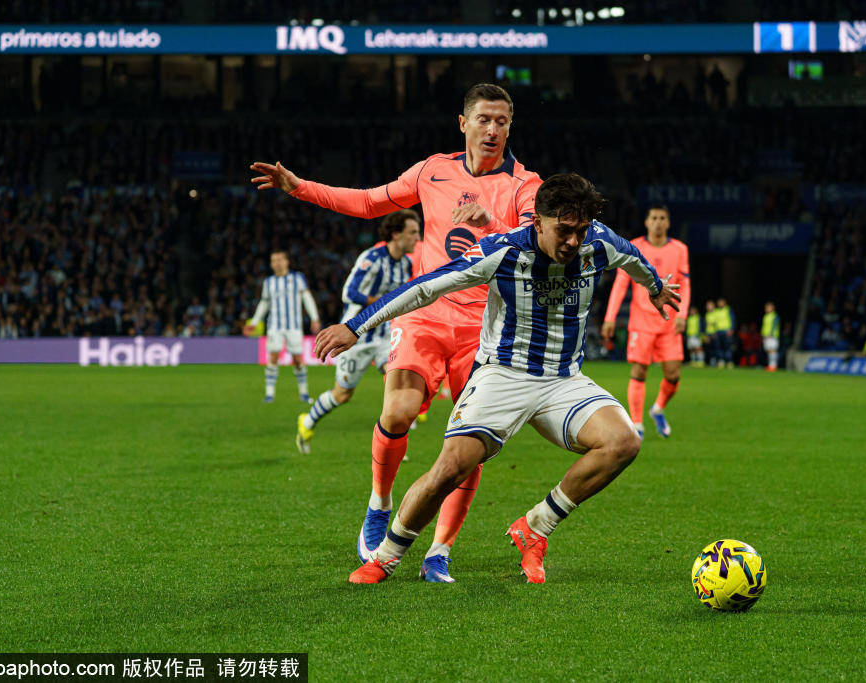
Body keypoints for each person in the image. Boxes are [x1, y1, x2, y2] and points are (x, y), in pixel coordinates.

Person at [315, 173, 681, 584]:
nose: (573, 241)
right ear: (537, 222)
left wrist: (655, 288)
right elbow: (425, 287)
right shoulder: (502, 252)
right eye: (564, 230)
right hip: (503, 375)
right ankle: (385, 558)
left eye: (580, 230)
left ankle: (535, 527)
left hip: (563, 380)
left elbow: (633, 257)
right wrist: (356, 325)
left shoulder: (597, 242)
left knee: (623, 441)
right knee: (451, 467)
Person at [250, 83, 542, 582]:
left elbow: (539, 242)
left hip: (486, 328)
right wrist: (300, 187)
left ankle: (440, 550)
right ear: (463, 123)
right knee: (398, 411)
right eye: (484, 119)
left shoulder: (524, 184)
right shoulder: (433, 171)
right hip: (425, 315)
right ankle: (379, 503)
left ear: (510, 127)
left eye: (502, 121)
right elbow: (369, 202)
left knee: (468, 445)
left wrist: (493, 221)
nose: (493, 130)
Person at [296, 211, 419, 452]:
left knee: (397, 380)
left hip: (385, 336)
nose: (418, 238)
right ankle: (307, 422)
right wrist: (382, 303)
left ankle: (392, 446)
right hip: (355, 337)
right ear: (396, 234)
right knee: (342, 395)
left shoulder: (406, 264)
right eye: (413, 232)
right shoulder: (372, 259)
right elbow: (349, 293)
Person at [601, 205, 690, 439]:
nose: (658, 222)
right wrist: (610, 318)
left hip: (669, 321)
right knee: (639, 370)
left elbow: (685, 284)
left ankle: (658, 409)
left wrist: (682, 315)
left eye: (662, 218)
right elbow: (621, 284)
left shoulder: (680, 249)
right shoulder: (634, 247)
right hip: (641, 322)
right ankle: (637, 425)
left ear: (668, 223)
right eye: (654, 218)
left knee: (673, 375)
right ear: (647, 222)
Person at [244, 250, 321, 403]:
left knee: (297, 359)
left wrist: (315, 318)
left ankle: (304, 393)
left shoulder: (297, 278)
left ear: (287, 262)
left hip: (294, 326)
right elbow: (264, 303)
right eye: (274, 260)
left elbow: (307, 298)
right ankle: (269, 395)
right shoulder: (269, 282)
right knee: (272, 357)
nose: (277, 263)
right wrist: (254, 322)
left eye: (280, 259)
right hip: (275, 326)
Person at [762, 301, 780, 371]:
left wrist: (771, 334)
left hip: (772, 336)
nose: (767, 309)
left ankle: (774, 365)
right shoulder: (766, 316)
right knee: (769, 350)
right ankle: (770, 365)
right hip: (766, 336)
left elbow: (774, 326)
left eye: (768, 307)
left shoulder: (774, 316)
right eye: (766, 308)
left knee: (773, 350)